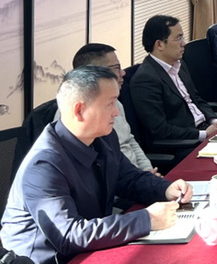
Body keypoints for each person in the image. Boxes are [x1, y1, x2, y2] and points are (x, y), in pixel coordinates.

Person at [0, 66, 191, 264]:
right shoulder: (43, 165)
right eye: (110, 103)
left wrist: (165, 189)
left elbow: (128, 177)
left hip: (89, 252)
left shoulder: (103, 137)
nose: (116, 112)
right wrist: (146, 219)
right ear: (79, 110)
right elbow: (68, 235)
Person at [130, 15, 217, 150]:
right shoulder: (145, 79)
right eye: (178, 38)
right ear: (159, 44)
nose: (183, 43)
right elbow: (159, 129)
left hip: (205, 128)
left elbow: (196, 99)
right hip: (185, 144)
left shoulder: (179, 64)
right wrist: (203, 134)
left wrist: (214, 120)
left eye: (182, 38)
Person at [61, 43, 155, 172]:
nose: (123, 73)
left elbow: (130, 140)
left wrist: (147, 170)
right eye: (116, 68)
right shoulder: (76, 117)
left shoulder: (115, 102)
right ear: (94, 72)